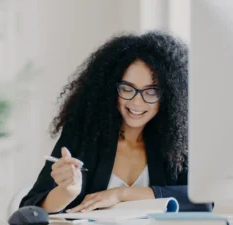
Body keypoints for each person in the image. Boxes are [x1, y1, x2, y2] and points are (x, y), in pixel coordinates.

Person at [20, 31, 213, 213]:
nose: (137, 102)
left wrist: (121, 194)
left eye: (151, 92)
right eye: (127, 88)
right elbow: (30, 209)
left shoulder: (176, 145)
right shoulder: (84, 134)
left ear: (170, 96)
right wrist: (67, 192)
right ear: (110, 88)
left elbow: (203, 201)